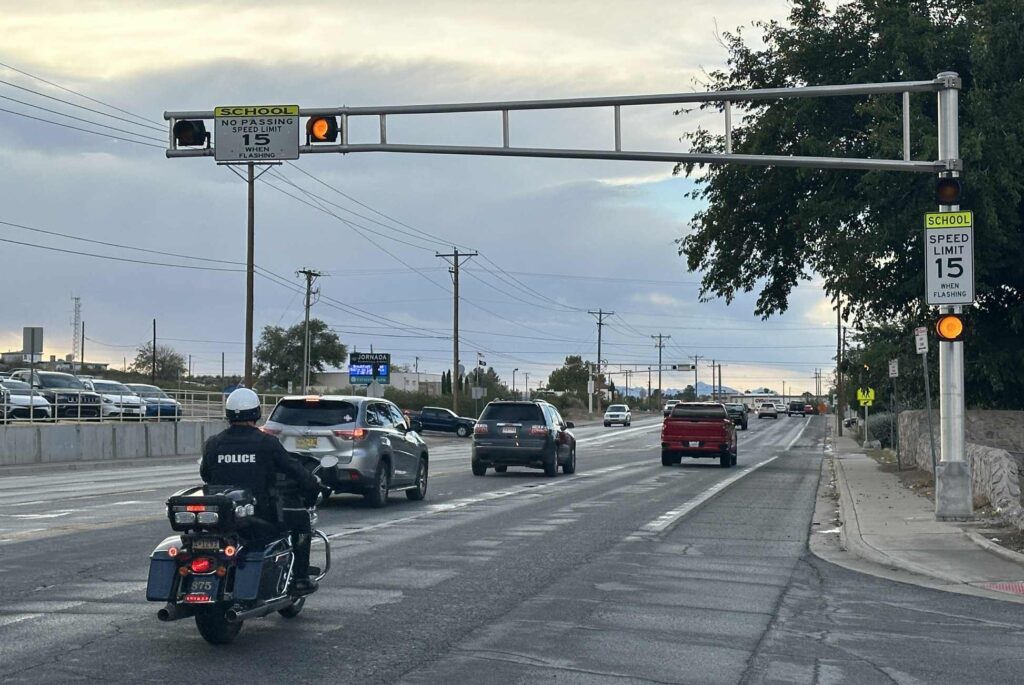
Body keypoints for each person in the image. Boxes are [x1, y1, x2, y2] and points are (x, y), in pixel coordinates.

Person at [200, 387, 322, 595]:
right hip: (260, 516)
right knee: (301, 520)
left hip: (222, 517)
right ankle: (301, 578)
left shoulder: (214, 443)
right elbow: (295, 470)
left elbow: (206, 475)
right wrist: (313, 484)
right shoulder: (267, 443)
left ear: (228, 414)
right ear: (256, 413)